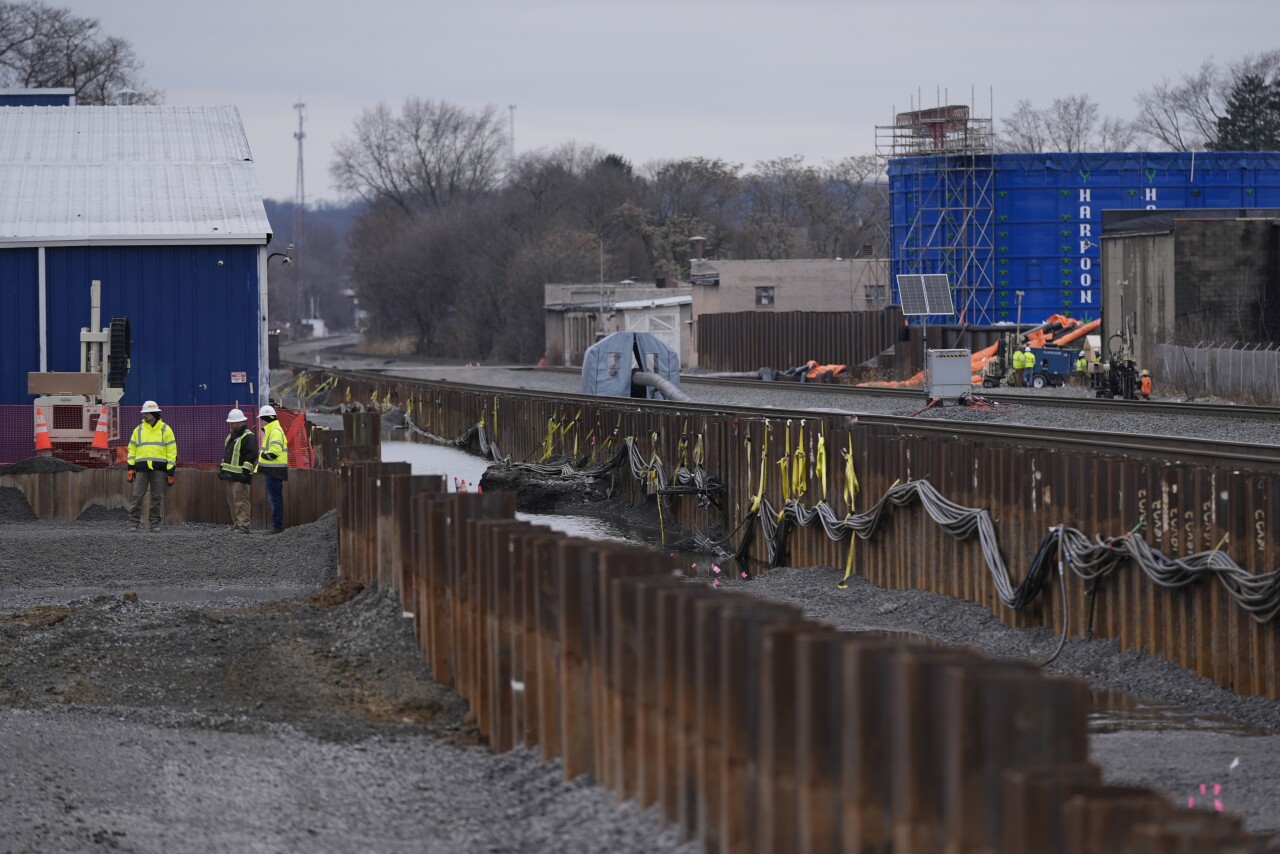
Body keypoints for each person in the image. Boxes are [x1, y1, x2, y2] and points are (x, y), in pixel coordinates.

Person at [126, 400, 177, 532]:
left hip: (159, 469)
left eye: (147, 414)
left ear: (154, 414)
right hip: (142, 469)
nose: (144, 416)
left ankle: (154, 524)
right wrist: (130, 468)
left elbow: (172, 451)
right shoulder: (138, 430)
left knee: (156, 498)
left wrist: (170, 472)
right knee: (137, 496)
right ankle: (133, 523)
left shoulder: (165, 429)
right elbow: (132, 450)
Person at [219, 408, 258, 534]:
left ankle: (243, 526)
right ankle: (237, 524)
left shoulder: (248, 437)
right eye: (230, 423)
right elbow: (227, 455)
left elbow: (251, 456)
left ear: (240, 423)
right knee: (232, 502)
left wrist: (245, 473)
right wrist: (222, 469)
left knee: (241, 502)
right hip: (230, 476)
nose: (230, 425)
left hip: (240, 477)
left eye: (233, 423)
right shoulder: (231, 437)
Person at [257, 404, 289, 534]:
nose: (260, 421)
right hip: (273, 471)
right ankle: (277, 526)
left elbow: (274, 452)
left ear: (268, 418)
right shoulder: (273, 430)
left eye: (261, 419)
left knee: (274, 499)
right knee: (276, 499)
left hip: (274, 471)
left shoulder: (275, 431)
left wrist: (263, 455)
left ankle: (277, 527)